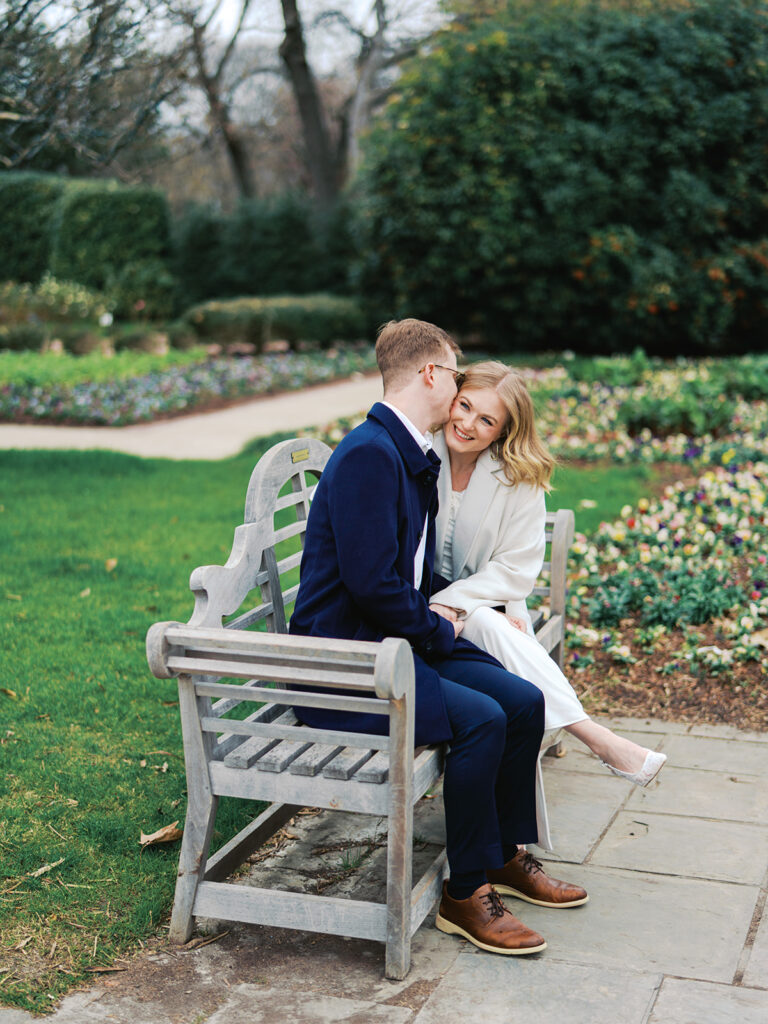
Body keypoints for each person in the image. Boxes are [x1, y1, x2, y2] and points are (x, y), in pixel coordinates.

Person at [290, 319, 588, 957]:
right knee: (481, 719)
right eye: (454, 373)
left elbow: (416, 573)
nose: (457, 386)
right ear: (430, 374)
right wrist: (437, 626)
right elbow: (372, 586)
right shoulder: (372, 455)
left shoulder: (405, 452)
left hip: (391, 645)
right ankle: (465, 892)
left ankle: (502, 852)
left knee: (522, 700)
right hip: (346, 669)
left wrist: (464, 610)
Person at [429, 360, 666, 850]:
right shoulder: (418, 452)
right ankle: (593, 738)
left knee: (498, 640)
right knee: (510, 668)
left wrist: (455, 603)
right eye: (465, 406)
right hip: (421, 611)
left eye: (486, 421)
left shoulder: (518, 477)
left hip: (481, 604)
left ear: (503, 432)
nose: (468, 424)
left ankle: (510, 845)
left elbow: (514, 570)